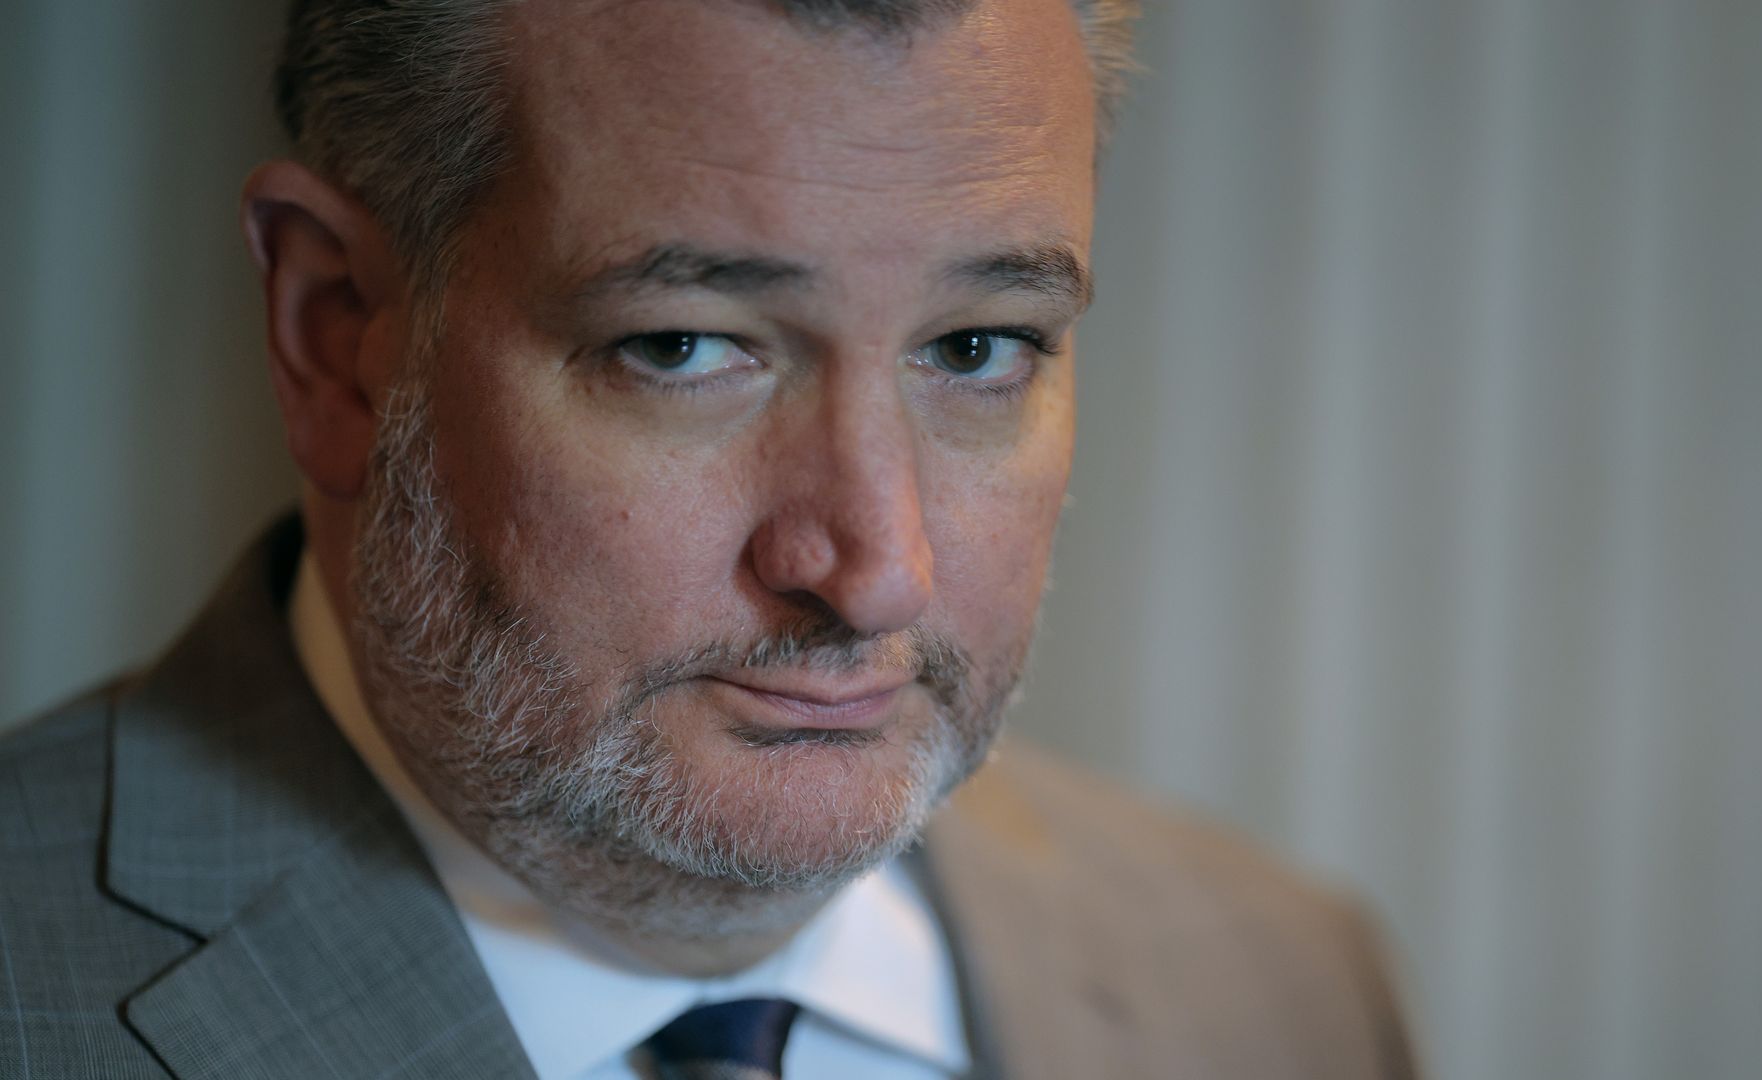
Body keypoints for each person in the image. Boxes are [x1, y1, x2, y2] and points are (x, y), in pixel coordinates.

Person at [0, 0, 1419, 1076]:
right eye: (685, 348)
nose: (875, 564)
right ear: (340, 340)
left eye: (978, 346)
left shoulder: (1282, 990)